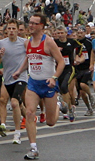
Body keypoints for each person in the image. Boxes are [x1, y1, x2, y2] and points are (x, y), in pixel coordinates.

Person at [17, 13, 65, 160]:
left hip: (48, 83)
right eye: (29, 23)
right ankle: (33, 148)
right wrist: (19, 71)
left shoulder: (48, 42)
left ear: (42, 26)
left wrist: (54, 78)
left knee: (50, 122)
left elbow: (61, 62)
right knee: (30, 113)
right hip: (33, 83)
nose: (30, 25)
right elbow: (28, 58)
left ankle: (58, 104)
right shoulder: (28, 42)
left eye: (34, 23)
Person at [0, 19, 28, 145]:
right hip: (7, 78)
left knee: (13, 102)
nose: (11, 31)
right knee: (18, 104)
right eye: (9, 29)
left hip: (21, 77)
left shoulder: (24, 43)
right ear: (6, 30)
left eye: (14, 28)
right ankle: (29, 117)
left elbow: (31, 57)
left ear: (18, 30)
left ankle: (17, 133)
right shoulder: (1, 43)